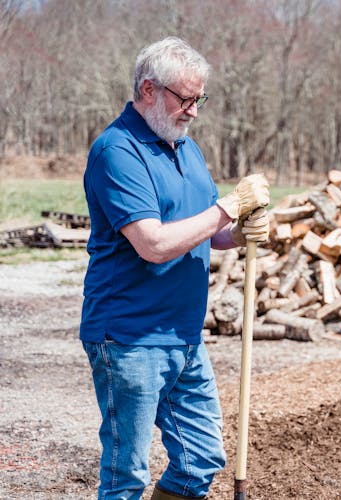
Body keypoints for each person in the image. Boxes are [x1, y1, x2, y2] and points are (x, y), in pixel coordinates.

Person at [80, 36, 270, 500]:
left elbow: (203, 231)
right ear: (149, 90)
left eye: (199, 98)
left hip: (184, 335)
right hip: (129, 337)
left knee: (201, 458)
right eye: (185, 98)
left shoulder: (187, 149)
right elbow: (154, 244)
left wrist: (239, 233)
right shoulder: (118, 152)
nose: (194, 111)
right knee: (126, 476)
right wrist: (228, 208)